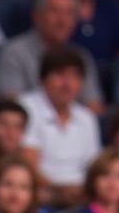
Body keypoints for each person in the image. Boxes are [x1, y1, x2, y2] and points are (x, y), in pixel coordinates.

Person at [0, 0, 103, 111]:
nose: (62, 20)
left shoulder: (81, 56)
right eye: (55, 11)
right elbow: (12, 105)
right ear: (36, 16)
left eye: (69, 13)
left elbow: (94, 106)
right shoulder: (14, 52)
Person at [19, 49, 101, 209]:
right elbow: (27, 164)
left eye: (75, 77)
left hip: (79, 195)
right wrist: (62, 190)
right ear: (42, 79)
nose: (68, 84)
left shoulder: (87, 117)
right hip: (41, 193)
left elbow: (93, 166)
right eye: (60, 75)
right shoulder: (27, 107)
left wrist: (82, 192)